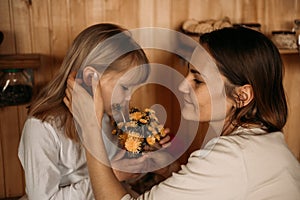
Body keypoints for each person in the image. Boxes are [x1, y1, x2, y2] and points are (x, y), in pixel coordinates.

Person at [65, 26, 300, 199]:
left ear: (241, 96)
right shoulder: (266, 142)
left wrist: (90, 130)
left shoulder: (230, 157)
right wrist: (171, 171)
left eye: (197, 80)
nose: (181, 85)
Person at [18, 23, 157, 200]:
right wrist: (113, 174)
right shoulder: (42, 128)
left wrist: (144, 161)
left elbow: (117, 184)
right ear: (91, 77)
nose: (129, 98)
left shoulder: (108, 119)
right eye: (124, 87)